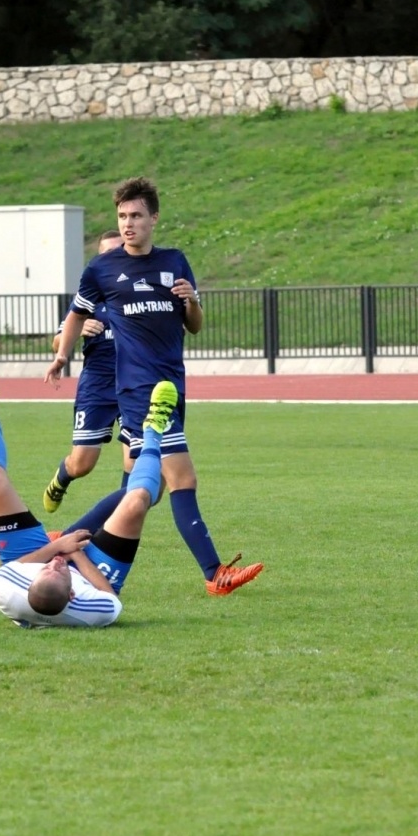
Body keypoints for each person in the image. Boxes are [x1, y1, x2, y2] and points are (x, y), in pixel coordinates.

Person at [46, 176, 262, 597]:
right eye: (122, 216)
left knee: (145, 490)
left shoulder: (175, 261)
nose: (128, 224)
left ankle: (65, 540)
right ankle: (214, 573)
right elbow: (76, 313)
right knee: (182, 479)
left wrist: (192, 300)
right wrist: (61, 354)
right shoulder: (102, 269)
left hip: (172, 385)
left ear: (154, 218)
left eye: (136, 216)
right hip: (142, 392)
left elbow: (194, 327)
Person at [0, 350, 171, 628]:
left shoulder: (5, 589)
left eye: (48, 569)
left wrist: (57, 547)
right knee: (136, 501)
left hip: (29, 558)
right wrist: (73, 555)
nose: (54, 564)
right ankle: (154, 429)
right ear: (72, 594)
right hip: (90, 572)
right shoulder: (93, 608)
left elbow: (19, 566)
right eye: (57, 571)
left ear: (34, 579)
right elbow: (110, 597)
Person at [42, 230, 125, 514]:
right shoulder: (90, 293)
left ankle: (118, 521)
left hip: (134, 383)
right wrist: (76, 331)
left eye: (120, 251)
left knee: (137, 465)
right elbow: (57, 340)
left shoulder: (138, 287)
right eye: (108, 253)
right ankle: (61, 478)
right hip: (98, 385)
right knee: (82, 464)